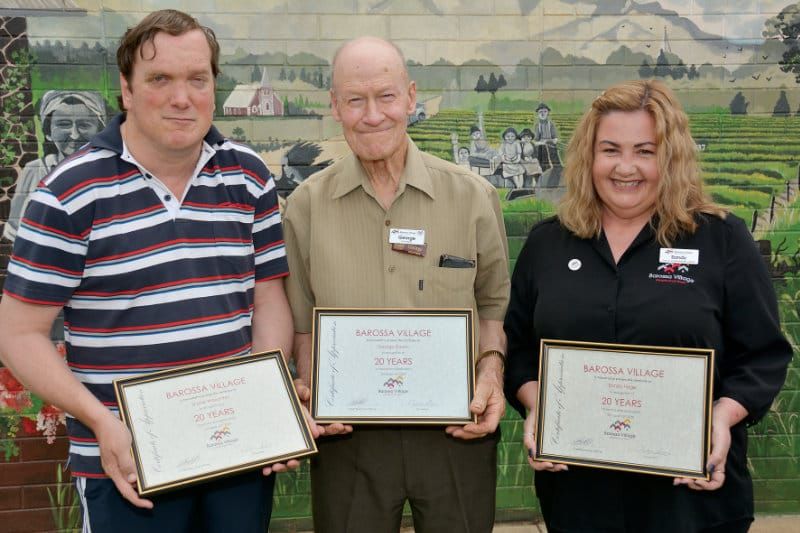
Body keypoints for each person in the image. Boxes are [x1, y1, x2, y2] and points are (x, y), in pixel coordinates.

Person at [0, 10, 296, 533]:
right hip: (125, 460)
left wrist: (267, 405)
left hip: (236, 452)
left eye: (197, 79)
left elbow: (268, 298)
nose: (182, 98)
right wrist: (101, 423)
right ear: (127, 90)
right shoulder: (69, 194)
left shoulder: (248, 177)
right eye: (160, 79)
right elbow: (18, 334)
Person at [504, 80, 791, 532]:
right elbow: (518, 347)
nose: (625, 167)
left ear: (670, 158)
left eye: (645, 151)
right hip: (581, 498)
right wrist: (536, 402)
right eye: (610, 150)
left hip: (690, 501)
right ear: (589, 156)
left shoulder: (722, 239)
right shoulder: (547, 245)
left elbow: (763, 356)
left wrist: (723, 415)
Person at [283, 36, 510, 533]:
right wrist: (310, 392)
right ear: (335, 107)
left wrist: (490, 374)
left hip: (456, 430)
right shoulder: (304, 207)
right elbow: (302, 326)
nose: (372, 115)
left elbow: (493, 307)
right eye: (355, 100)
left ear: (410, 97)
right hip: (349, 437)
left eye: (385, 97)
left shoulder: (472, 197)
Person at [3, 91, 106, 242]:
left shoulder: (109, 172)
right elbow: (15, 231)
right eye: (64, 124)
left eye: (84, 124)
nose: (74, 135)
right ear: (48, 132)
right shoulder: (34, 170)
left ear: (99, 130)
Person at [533, 102, 561, 170]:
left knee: (555, 160)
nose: (543, 113)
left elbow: (555, 138)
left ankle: (557, 170)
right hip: (542, 147)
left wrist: (553, 140)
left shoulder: (551, 124)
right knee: (542, 160)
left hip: (551, 145)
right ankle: (545, 170)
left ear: (548, 113)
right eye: (540, 112)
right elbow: (536, 140)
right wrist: (541, 142)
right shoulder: (537, 125)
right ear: (538, 114)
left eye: (545, 111)